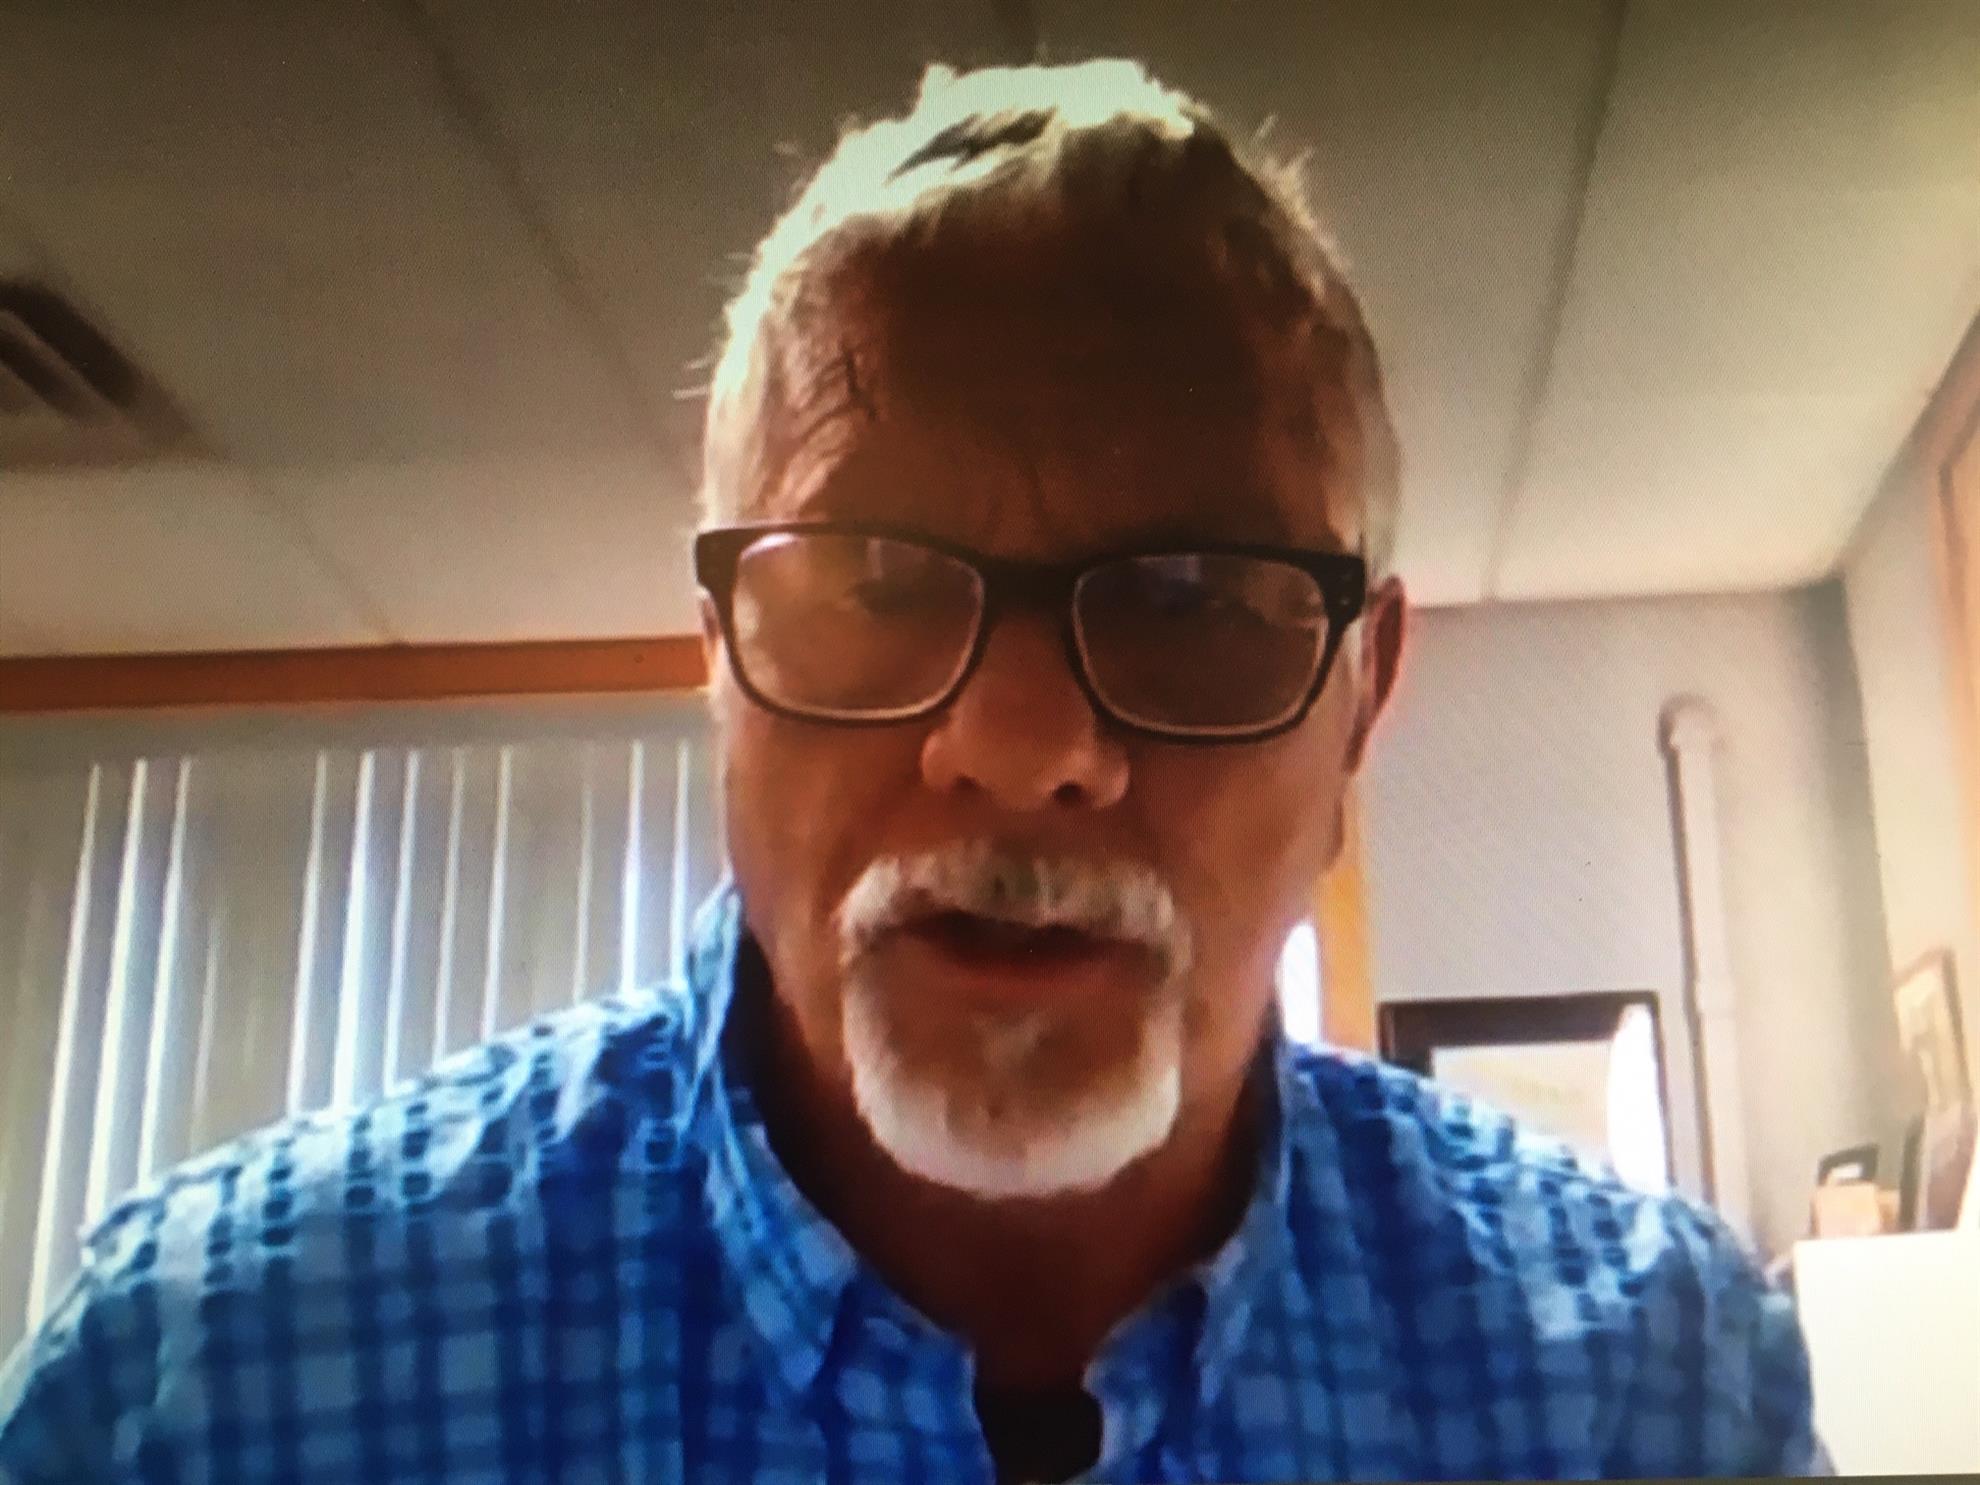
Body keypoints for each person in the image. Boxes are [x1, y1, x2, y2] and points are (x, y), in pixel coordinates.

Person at [0, 59, 1825, 1483]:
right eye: (874, 579)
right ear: (720, 660)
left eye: (1192, 596)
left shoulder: (1652, 1388)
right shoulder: (201, 1387)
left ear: (1361, 704)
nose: (1024, 749)